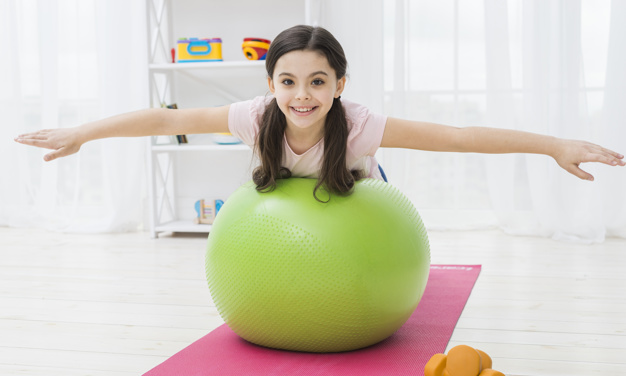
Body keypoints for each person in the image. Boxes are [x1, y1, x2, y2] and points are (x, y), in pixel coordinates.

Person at [14, 25, 625, 200]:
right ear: (271, 84)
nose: (300, 95)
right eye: (288, 81)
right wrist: (82, 133)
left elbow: (458, 135)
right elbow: (162, 118)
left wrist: (553, 143)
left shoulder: (358, 126)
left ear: (338, 86)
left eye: (316, 81)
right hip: (285, 214)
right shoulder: (253, 116)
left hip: (353, 201)